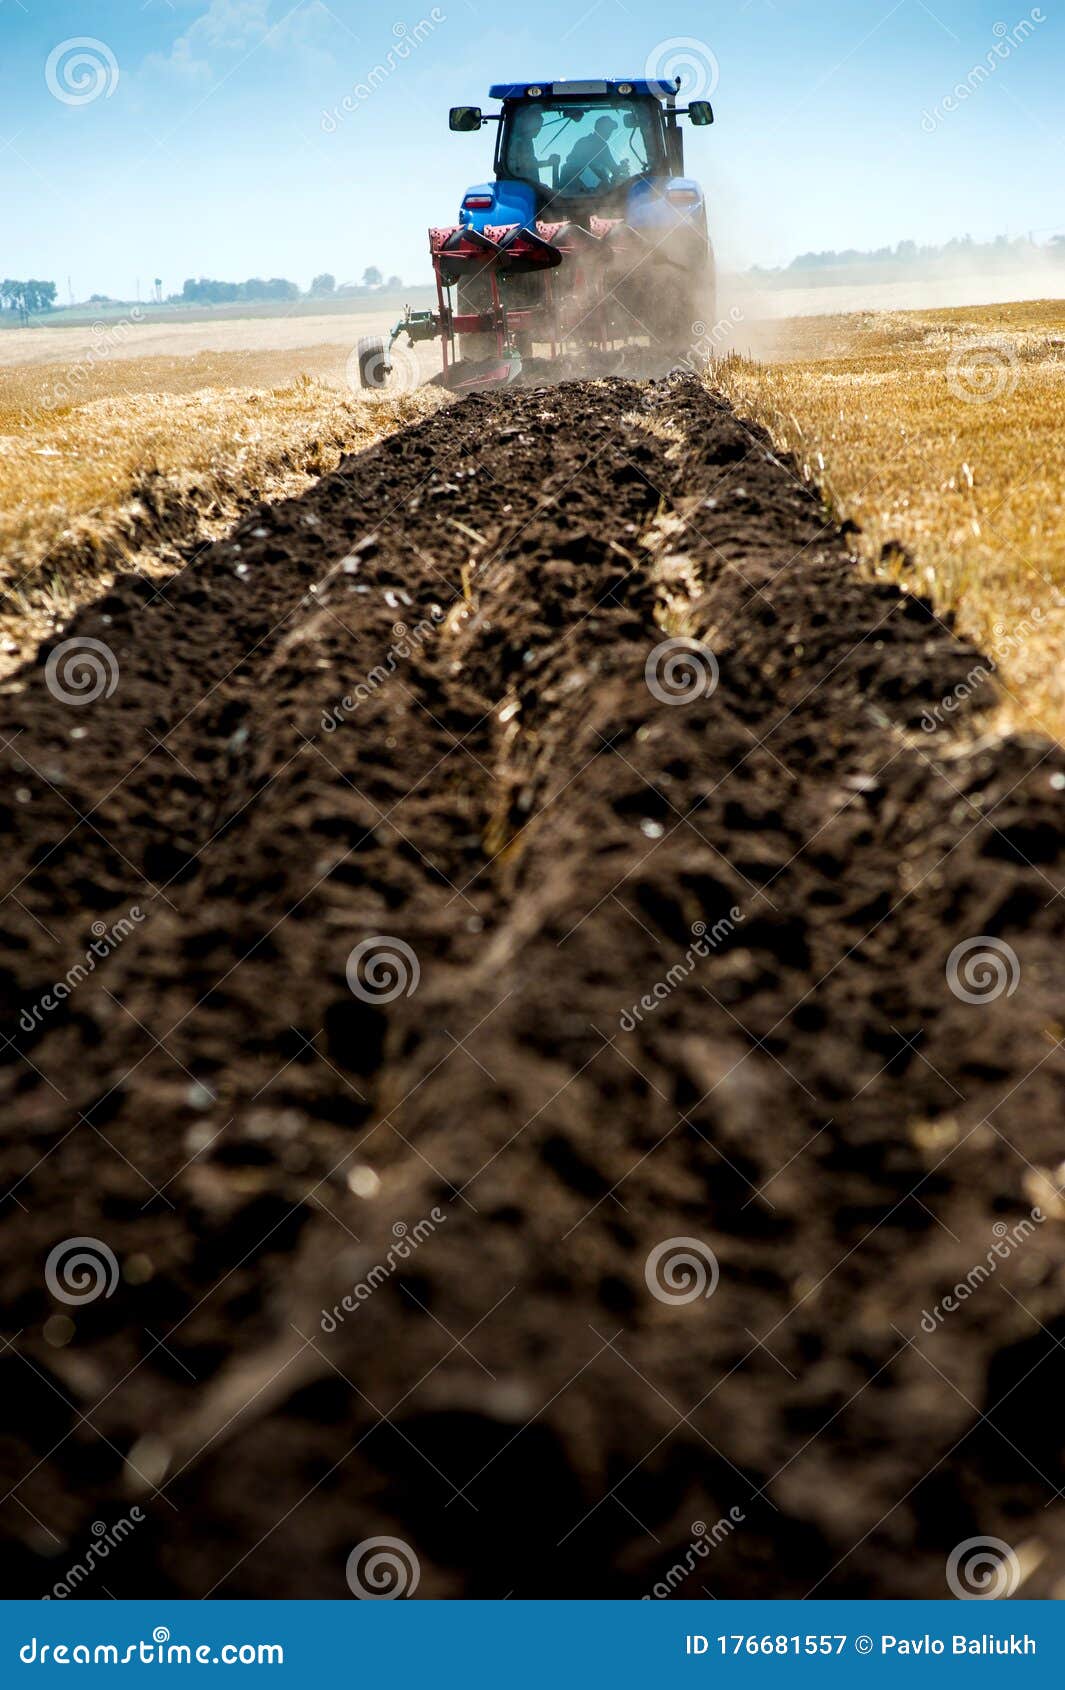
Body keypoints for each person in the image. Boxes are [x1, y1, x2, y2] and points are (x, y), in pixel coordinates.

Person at [561, 115, 623, 193]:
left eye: (610, 130)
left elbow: (570, 161)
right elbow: (613, 168)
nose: (610, 132)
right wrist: (621, 169)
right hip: (590, 191)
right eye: (608, 129)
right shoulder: (601, 145)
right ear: (598, 128)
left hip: (576, 189)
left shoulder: (582, 142)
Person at [508, 107, 558, 186]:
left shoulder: (527, 141)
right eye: (537, 126)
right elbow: (524, 164)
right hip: (521, 186)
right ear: (528, 124)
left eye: (540, 127)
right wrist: (548, 162)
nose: (539, 130)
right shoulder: (518, 142)